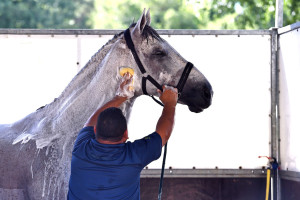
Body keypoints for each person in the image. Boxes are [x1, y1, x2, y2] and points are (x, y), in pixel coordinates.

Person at [67, 73, 178, 200]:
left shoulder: (81, 147)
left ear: (96, 129)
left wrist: (118, 98)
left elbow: (89, 123)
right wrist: (170, 104)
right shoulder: (134, 155)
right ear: (126, 134)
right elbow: (163, 134)